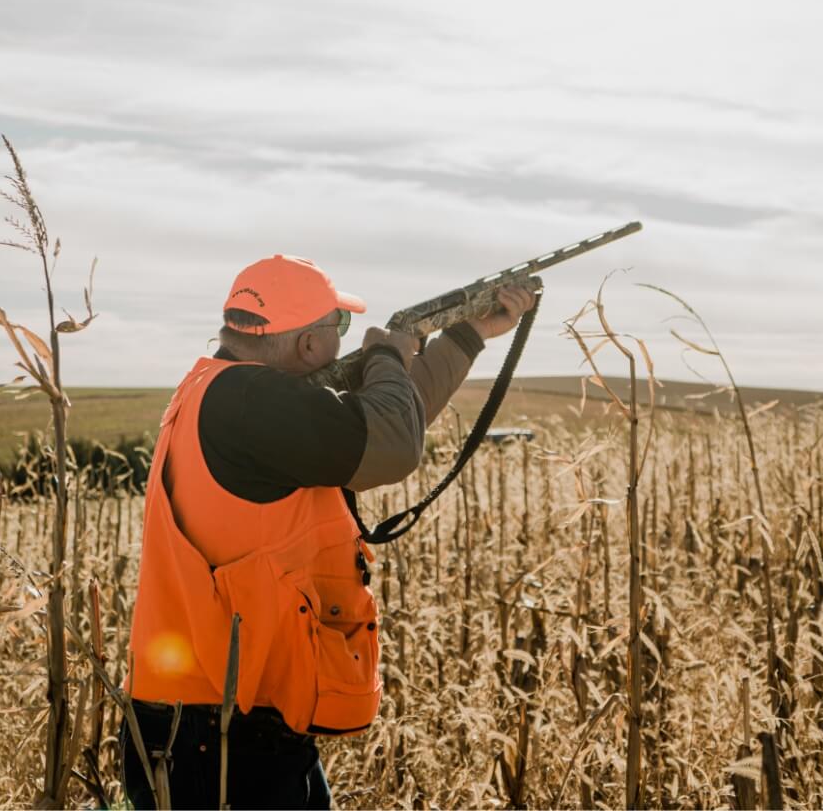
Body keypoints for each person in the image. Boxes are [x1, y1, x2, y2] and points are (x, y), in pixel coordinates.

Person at [122, 253, 535, 808]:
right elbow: (391, 442)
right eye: (336, 327)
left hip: (217, 721)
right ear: (310, 346)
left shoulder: (219, 393)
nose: (344, 339)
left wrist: (469, 334)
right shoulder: (252, 400)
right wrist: (387, 350)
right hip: (216, 736)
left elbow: (383, 428)